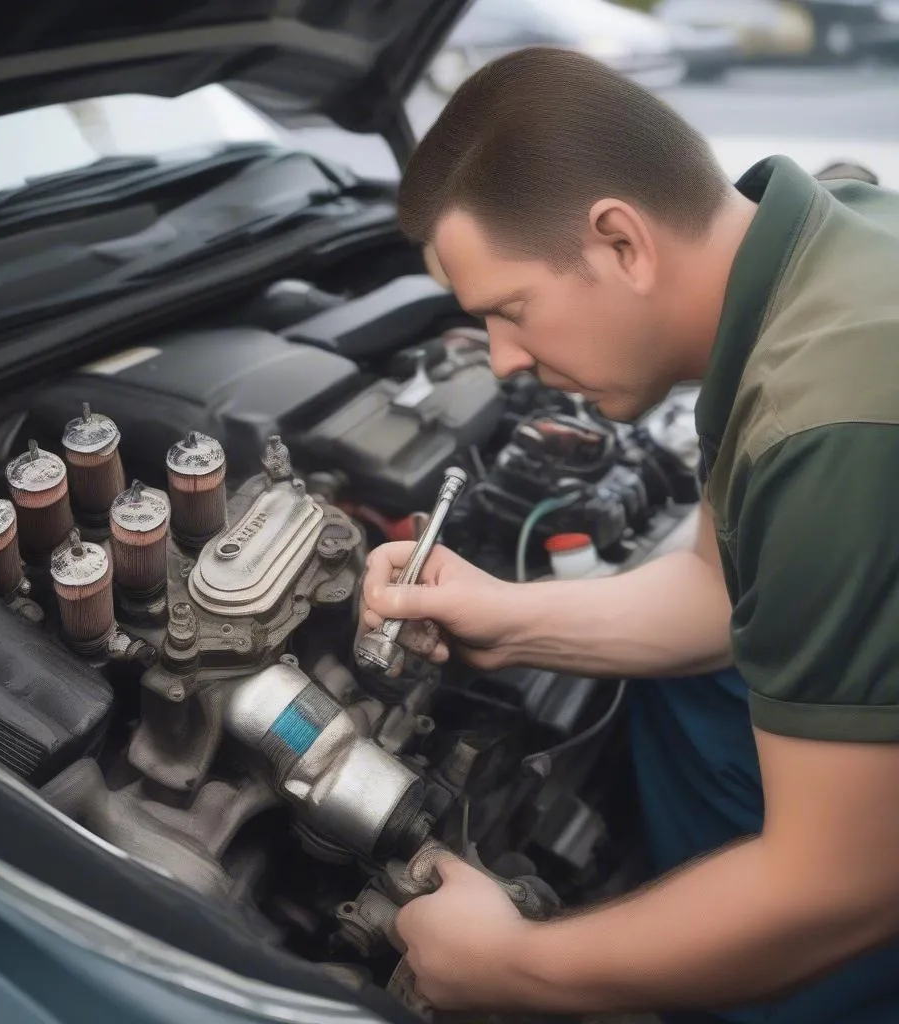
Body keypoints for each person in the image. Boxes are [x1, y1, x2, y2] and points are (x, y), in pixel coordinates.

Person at [360, 47, 899, 1024]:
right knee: (684, 700)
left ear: (620, 241)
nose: (504, 360)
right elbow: (718, 588)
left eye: (509, 309)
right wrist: (506, 615)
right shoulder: (820, 255)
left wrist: (517, 968)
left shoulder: (826, 427)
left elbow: (844, 889)